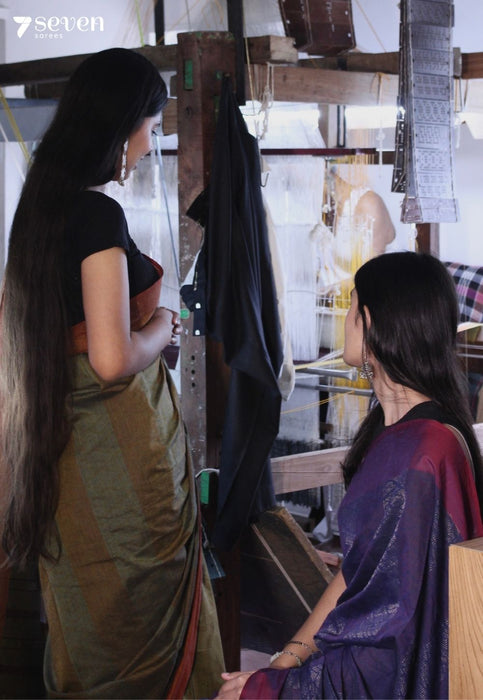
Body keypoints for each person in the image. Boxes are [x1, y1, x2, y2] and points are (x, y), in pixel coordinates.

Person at [0, 48, 224, 698]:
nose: (149, 145)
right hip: (117, 460)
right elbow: (110, 358)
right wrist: (163, 327)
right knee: (137, 611)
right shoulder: (97, 216)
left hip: (64, 453)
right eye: (150, 128)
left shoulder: (38, 210)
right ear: (122, 128)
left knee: (89, 611)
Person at [216, 251, 483, 700]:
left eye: (351, 306)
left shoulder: (417, 454)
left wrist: (272, 689)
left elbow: (385, 650)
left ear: (372, 323)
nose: (344, 321)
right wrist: (282, 663)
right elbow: (358, 574)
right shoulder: (409, 433)